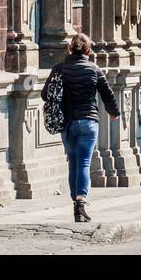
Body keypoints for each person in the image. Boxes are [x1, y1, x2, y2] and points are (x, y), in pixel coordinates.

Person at [41, 32, 119, 221]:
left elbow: (45, 94)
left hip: (67, 123)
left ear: (69, 48)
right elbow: (107, 94)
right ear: (88, 50)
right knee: (84, 162)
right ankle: (80, 202)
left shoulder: (59, 69)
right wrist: (114, 112)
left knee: (73, 162)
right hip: (88, 121)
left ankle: (75, 203)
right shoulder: (94, 69)